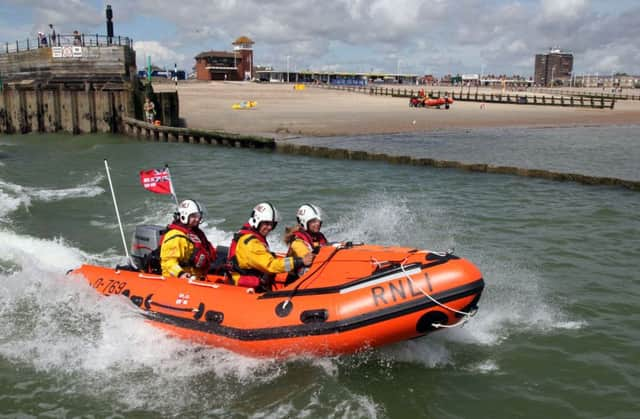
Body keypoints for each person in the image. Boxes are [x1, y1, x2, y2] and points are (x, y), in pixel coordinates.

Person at [228, 202, 314, 291]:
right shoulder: (251, 243)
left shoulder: (251, 237)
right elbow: (271, 265)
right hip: (247, 287)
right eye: (266, 223)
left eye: (272, 224)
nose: (269, 227)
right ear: (257, 221)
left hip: (252, 279)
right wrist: (300, 261)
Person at [160, 199, 216, 280]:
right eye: (193, 216)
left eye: (198, 216)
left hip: (196, 277)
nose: (197, 219)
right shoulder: (175, 236)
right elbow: (168, 262)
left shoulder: (197, 234)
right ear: (184, 215)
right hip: (175, 280)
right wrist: (180, 274)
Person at [284, 204, 329, 282]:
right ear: (304, 223)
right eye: (313, 222)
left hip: (312, 275)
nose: (317, 224)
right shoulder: (297, 242)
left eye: (318, 221)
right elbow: (307, 258)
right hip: (295, 281)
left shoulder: (319, 237)